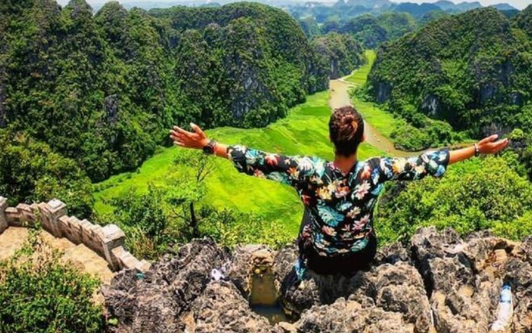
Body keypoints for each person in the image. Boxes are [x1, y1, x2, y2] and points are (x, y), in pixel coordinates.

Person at [170, 105, 509, 277]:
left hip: (319, 260)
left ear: (331, 138)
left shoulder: (307, 171)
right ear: (362, 138)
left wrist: (207, 144)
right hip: (362, 255)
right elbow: (425, 162)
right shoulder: (376, 171)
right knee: (328, 210)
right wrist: (477, 150)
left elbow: (257, 159)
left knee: (308, 206)